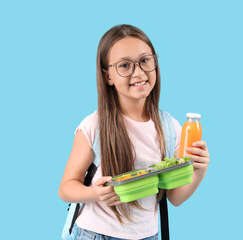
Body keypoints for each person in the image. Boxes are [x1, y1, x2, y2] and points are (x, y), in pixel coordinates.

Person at [58, 24, 210, 240]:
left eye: (145, 61)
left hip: (148, 236)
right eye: (125, 65)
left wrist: (198, 171)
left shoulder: (170, 127)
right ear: (107, 76)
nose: (138, 72)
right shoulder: (94, 125)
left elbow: (174, 197)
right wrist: (95, 193)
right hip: (95, 234)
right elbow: (66, 188)